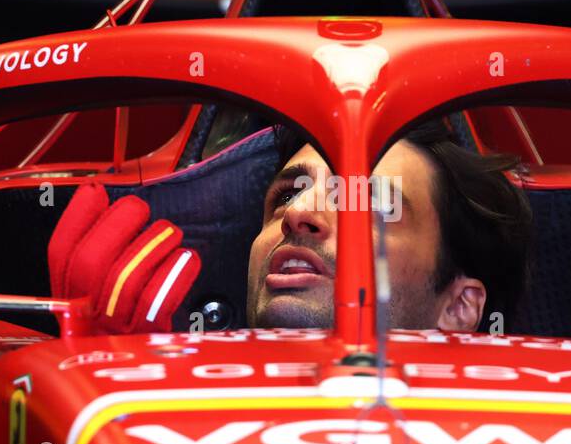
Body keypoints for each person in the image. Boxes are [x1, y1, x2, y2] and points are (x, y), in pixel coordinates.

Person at [47, 119, 532, 334]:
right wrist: (100, 380)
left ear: (461, 306)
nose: (299, 214)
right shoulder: (150, 403)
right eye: (285, 195)